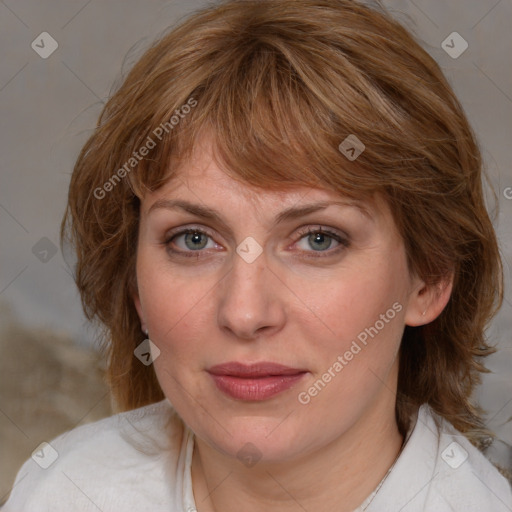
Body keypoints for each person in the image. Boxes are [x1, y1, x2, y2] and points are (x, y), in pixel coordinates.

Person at [3, 0, 511, 510]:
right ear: (135, 284)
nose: (245, 313)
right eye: (194, 239)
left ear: (429, 278)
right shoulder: (61, 491)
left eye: (318, 240)